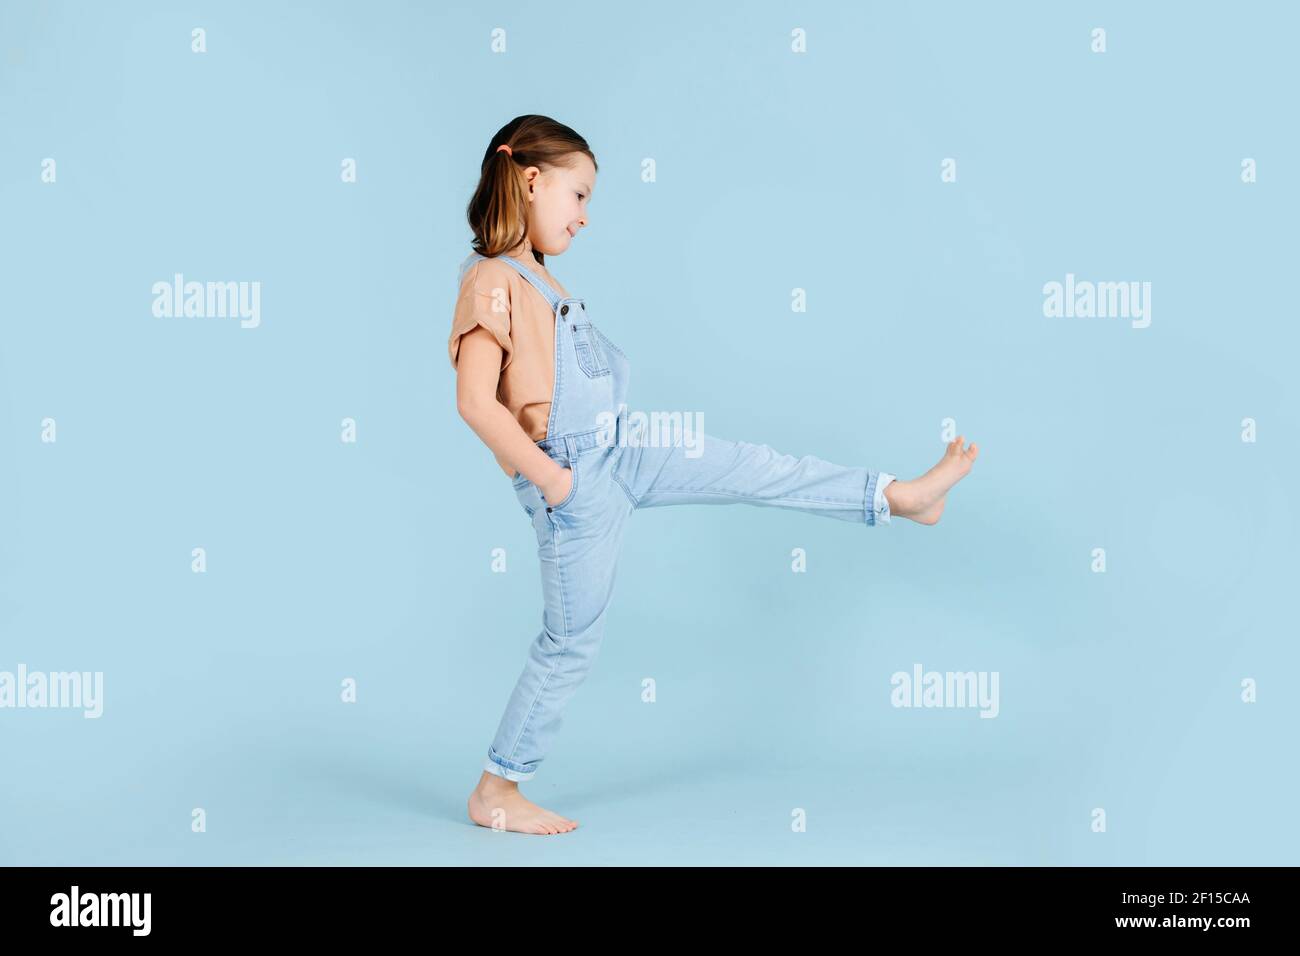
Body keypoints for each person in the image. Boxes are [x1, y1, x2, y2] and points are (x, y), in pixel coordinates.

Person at [449, 115, 979, 835]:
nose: (584, 216)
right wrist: (555, 483)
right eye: (579, 195)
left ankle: (895, 497)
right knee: (570, 641)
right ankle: (497, 789)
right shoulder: (491, 280)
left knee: (750, 465)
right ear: (531, 179)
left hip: (622, 446)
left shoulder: (544, 279)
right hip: (576, 477)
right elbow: (476, 402)